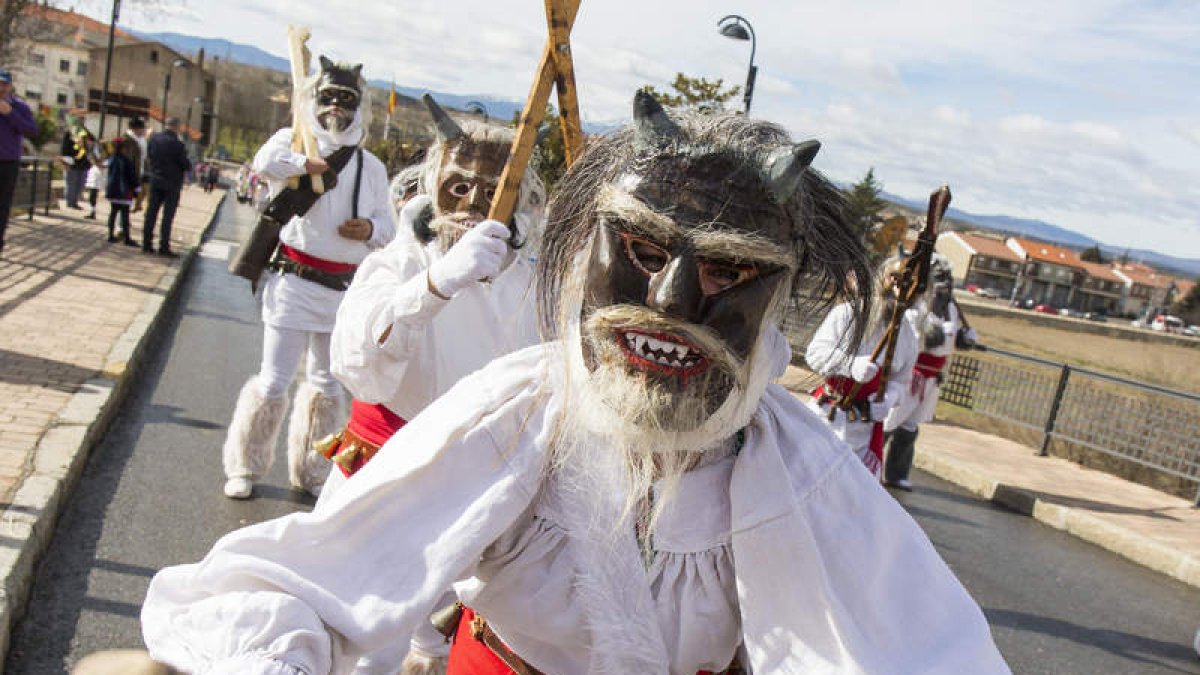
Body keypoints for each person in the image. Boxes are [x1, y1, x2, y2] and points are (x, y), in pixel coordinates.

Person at [140, 93, 1009, 674]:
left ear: (775, 293)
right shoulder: (522, 413)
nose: (671, 303)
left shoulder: (800, 468)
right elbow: (311, 580)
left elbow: (932, 649)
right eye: (641, 249)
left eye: (730, 271)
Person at [220, 56, 395, 500]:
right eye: (328, 98)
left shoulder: (371, 167)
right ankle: (244, 465)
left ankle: (312, 471)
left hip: (342, 292)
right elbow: (265, 163)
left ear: (360, 107)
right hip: (293, 284)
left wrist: (370, 229)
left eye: (346, 100)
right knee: (274, 379)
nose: (336, 107)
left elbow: (389, 226)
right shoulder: (294, 142)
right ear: (314, 101)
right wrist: (304, 161)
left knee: (325, 384)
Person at [806, 256, 918, 480]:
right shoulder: (847, 313)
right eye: (895, 280)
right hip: (826, 419)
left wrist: (890, 397)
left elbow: (901, 380)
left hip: (864, 432)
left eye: (911, 285)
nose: (900, 290)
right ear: (882, 280)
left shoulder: (908, 335)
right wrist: (849, 365)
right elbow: (815, 353)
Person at [882, 253, 974, 490]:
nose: (944, 283)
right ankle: (866, 463)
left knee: (910, 426)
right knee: (890, 421)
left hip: (933, 377)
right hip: (914, 375)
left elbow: (951, 341)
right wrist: (935, 331)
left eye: (947, 278)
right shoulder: (919, 304)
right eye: (940, 277)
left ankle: (896, 473)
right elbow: (922, 338)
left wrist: (965, 338)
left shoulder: (951, 307)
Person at [0, 68, 37, 256]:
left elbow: (31, 130)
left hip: (8, 162)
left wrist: (10, 113)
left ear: (10, 86)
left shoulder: (20, 106)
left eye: (4, 84)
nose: (1, 88)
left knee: (3, 204)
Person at [142, 117, 191, 257]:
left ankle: (147, 243)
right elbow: (185, 164)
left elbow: (149, 156)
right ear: (177, 127)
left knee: (151, 213)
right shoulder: (177, 144)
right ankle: (163, 246)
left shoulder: (154, 140)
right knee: (167, 216)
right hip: (172, 183)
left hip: (156, 180)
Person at [105, 135, 140, 246]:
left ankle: (110, 235)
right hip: (125, 191)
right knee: (125, 215)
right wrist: (136, 188)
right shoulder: (126, 161)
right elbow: (131, 176)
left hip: (113, 190)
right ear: (124, 148)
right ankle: (127, 238)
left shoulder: (111, 159)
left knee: (113, 213)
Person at [60, 125, 93, 210]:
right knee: (71, 184)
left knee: (80, 185)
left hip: (83, 164)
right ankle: (70, 203)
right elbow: (64, 149)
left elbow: (91, 140)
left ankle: (74, 202)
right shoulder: (69, 134)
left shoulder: (85, 132)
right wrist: (65, 162)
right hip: (71, 163)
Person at [125, 117, 149, 213]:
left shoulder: (141, 140)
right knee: (125, 198)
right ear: (135, 129)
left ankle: (126, 218)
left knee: (132, 195)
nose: (143, 131)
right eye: (142, 128)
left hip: (138, 171)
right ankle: (122, 221)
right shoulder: (128, 140)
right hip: (129, 172)